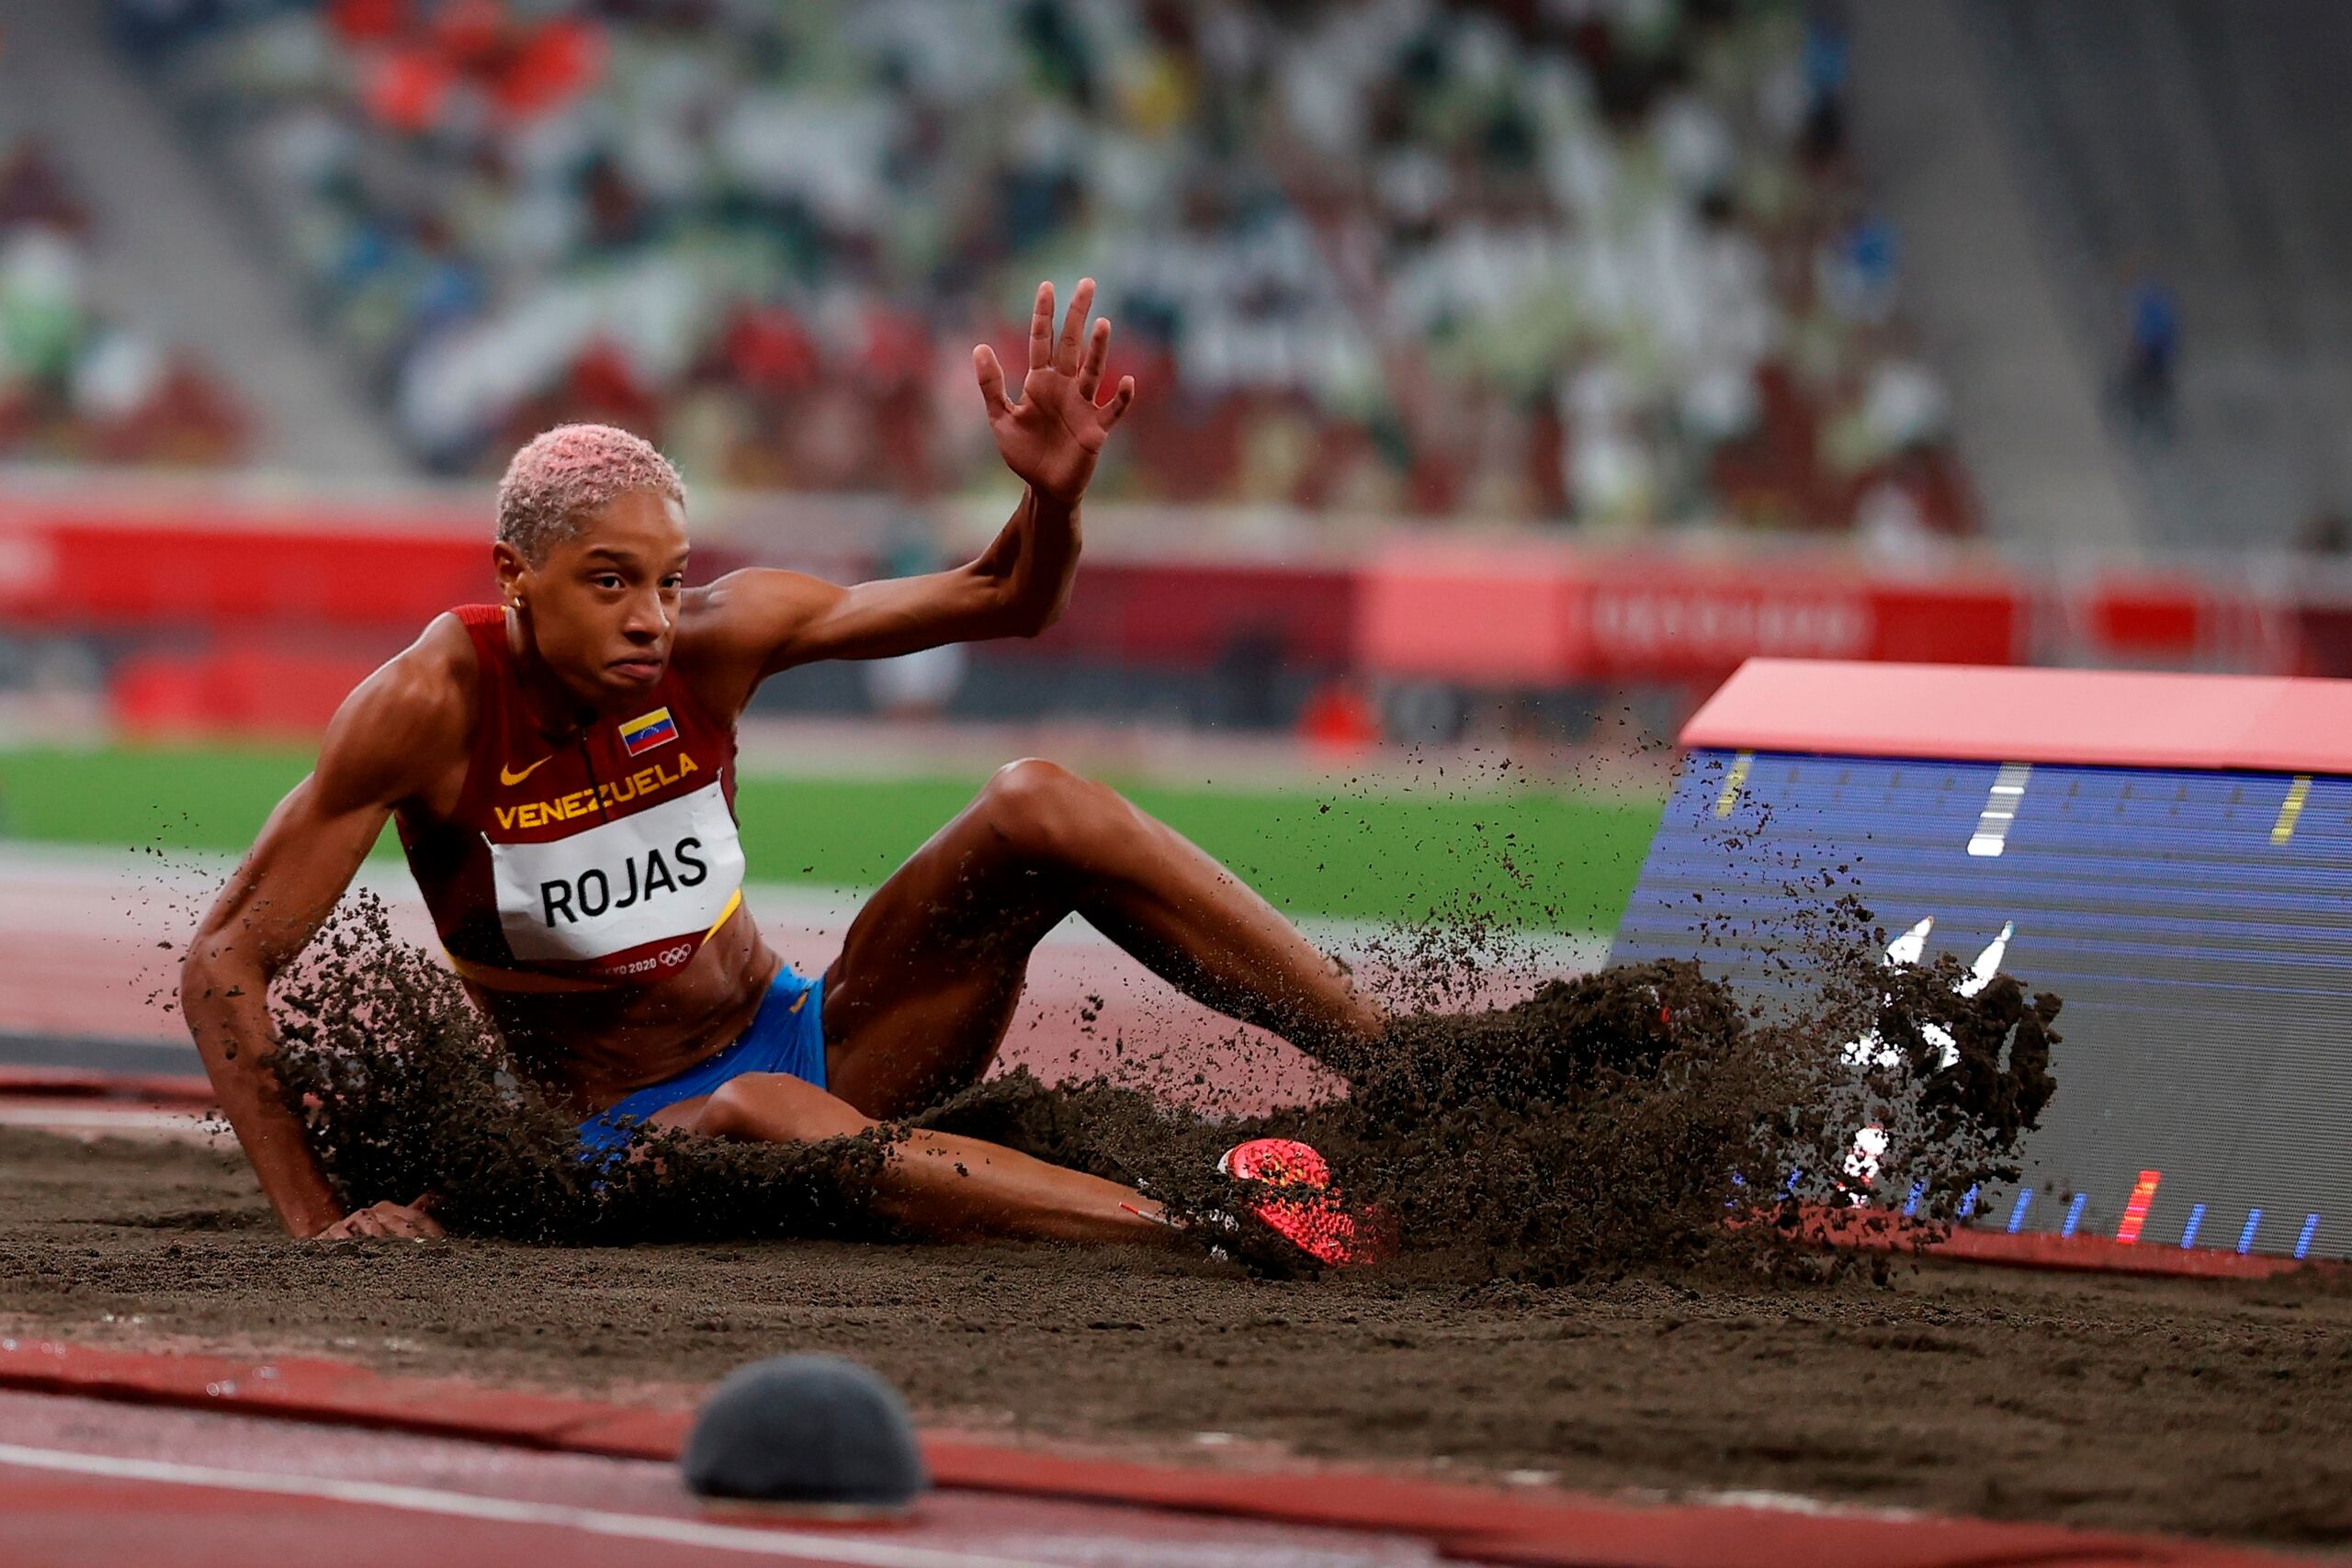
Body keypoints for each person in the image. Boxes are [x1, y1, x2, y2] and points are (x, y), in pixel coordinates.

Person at [181, 280, 1384, 1261]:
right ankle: (1207, 1232)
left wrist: (1050, 501)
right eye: (609, 584)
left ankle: (1416, 1070)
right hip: (621, 1147)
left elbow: (1006, 598)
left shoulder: (714, 639)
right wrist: (319, 1221)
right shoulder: (422, 710)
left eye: (666, 577)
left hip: (816, 1049)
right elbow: (225, 960)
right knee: (759, 1114)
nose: (651, 618)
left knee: (1036, 803)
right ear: (514, 577)